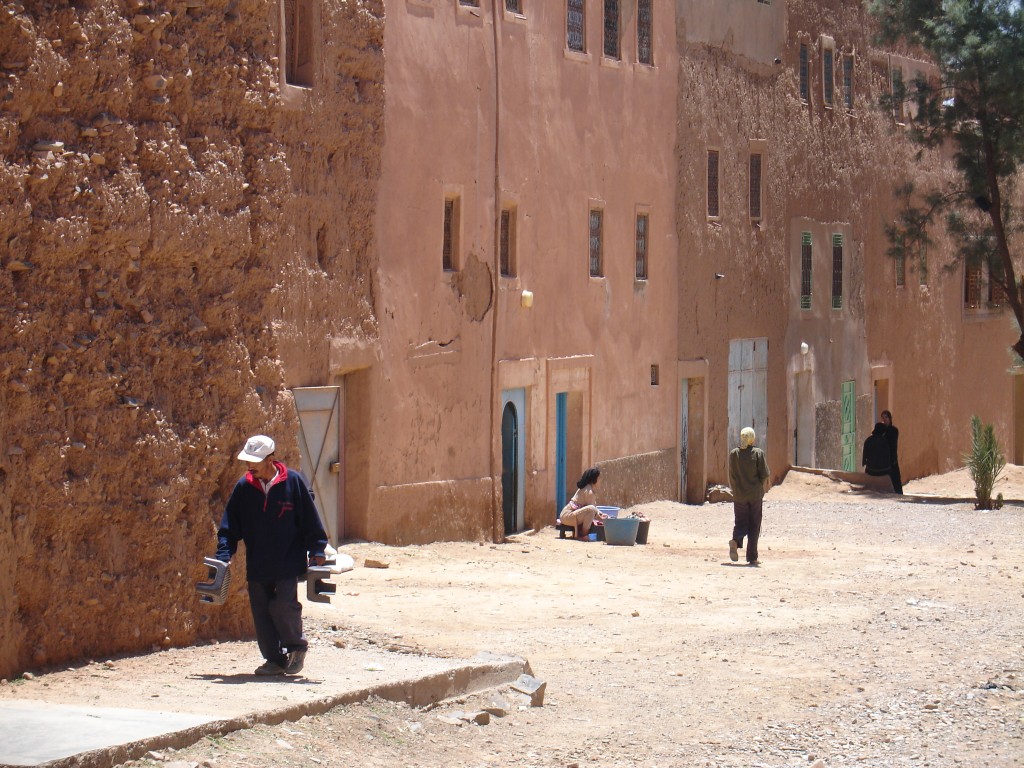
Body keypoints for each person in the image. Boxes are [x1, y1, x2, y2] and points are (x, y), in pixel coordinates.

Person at [215, 435, 329, 676]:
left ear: (271, 459)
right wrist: (224, 554)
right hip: (257, 563)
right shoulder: (244, 488)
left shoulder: (294, 483)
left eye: (255, 461)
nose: (250, 465)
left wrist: (317, 549)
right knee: (262, 611)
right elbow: (229, 527)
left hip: (288, 560)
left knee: (283, 606)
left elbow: (310, 520)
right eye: (247, 460)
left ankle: (296, 648)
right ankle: (274, 660)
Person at [728, 427, 770, 566]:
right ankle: (752, 557)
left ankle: (736, 540)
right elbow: (764, 473)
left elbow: (732, 475)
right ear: (752, 438)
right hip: (755, 495)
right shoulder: (758, 453)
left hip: (739, 495)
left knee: (740, 521)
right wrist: (759, 485)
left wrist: (735, 489)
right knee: (754, 524)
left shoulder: (734, 454)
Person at [558, 466, 610, 541]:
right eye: (599, 478)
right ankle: (584, 535)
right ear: (594, 479)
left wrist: (601, 514)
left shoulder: (587, 488)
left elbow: (594, 510)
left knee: (592, 509)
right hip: (568, 516)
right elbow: (592, 510)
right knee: (591, 509)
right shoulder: (588, 491)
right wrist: (603, 519)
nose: (600, 480)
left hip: (567, 516)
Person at [880, 410, 903, 494]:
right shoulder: (881, 430)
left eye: (886, 417)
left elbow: (892, 444)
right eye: (883, 417)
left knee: (895, 476)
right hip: (884, 457)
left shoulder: (894, 430)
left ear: (889, 418)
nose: (884, 419)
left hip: (892, 456)